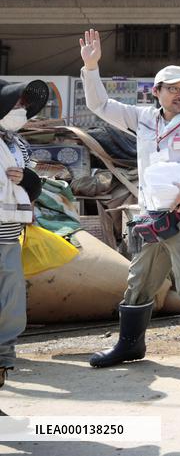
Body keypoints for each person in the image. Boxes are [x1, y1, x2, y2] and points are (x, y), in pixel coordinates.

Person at [79, 29, 180, 378]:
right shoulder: (142, 118)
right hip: (152, 215)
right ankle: (130, 345)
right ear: (156, 92)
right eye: (173, 89)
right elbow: (100, 106)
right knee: (139, 281)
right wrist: (91, 68)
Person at [0, 79, 48, 411]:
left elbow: (32, 185)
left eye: (23, 105)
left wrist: (28, 180)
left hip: (8, 236)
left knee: (10, 306)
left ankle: (3, 363)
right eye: (16, 103)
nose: (21, 109)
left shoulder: (18, 144)